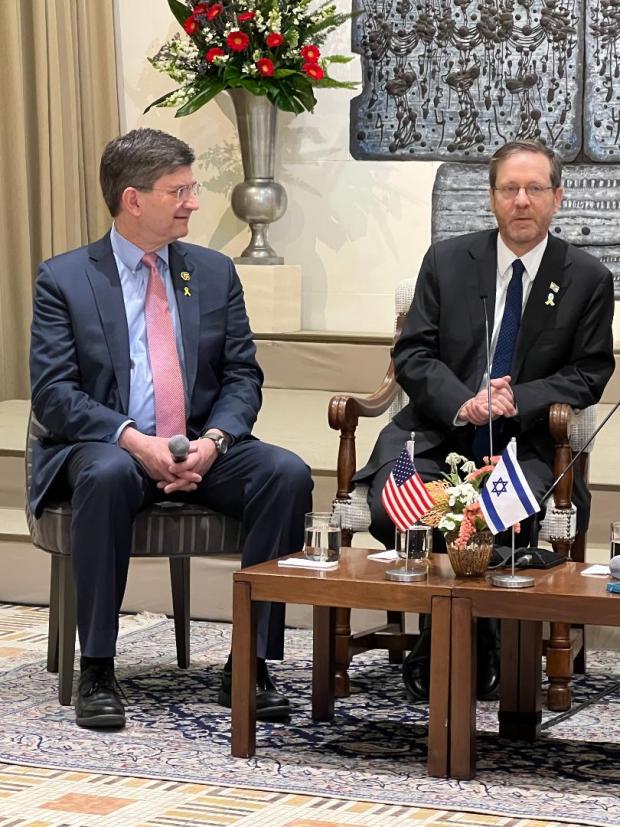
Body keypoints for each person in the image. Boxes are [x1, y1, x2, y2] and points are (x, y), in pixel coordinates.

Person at [29, 128, 313, 729]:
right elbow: (55, 396)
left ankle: (251, 660)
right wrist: (135, 440)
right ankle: (99, 667)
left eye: (191, 188)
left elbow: (242, 375)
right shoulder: (66, 279)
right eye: (178, 190)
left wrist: (215, 443)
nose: (192, 201)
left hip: (204, 444)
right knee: (104, 476)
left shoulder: (212, 272)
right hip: (113, 447)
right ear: (134, 200)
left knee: (285, 474)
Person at [357, 139, 615, 701]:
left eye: (534, 189)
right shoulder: (447, 261)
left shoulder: (587, 277)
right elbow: (413, 354)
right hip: (437, 429)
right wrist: (465, 400)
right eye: (508, 189)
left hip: (523, 443)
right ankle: (456, 626)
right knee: (391, 505)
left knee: (497, 516)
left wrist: (513, 399)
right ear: (492, 198)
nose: (521, 201)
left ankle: (471, 632)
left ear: (558, 197)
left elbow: (589, 372)